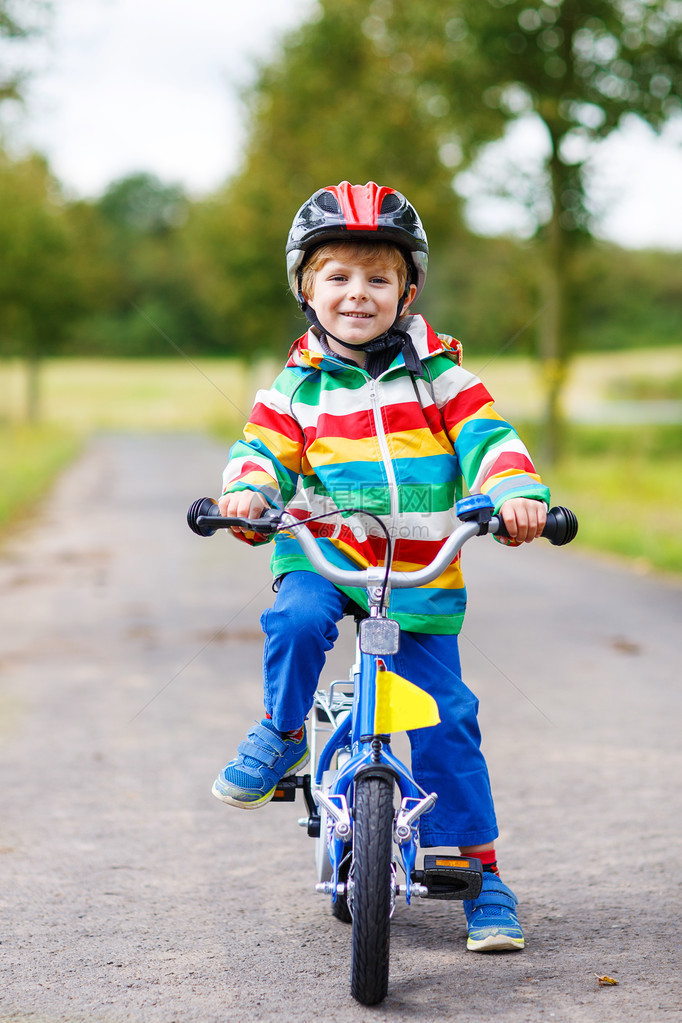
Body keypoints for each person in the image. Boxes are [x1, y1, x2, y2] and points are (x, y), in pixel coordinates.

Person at [212, 181, 549, 952]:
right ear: (306, 287)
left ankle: (480, 873)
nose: (357, 293)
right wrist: (248, 496)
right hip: (326, 558)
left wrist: (514, 492)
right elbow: (259, 454)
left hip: (421, 570)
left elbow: (491, 441)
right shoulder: (295, 389)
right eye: (337, 276)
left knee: (448, 723)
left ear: (408, 290)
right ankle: (283, 728)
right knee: (295, 618)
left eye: (378, 277)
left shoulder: (442, 378)